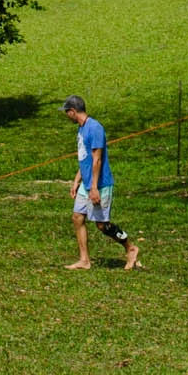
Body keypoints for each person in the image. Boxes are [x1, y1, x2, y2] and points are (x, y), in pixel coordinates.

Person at [61, 95, 140, 271]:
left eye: (66, 112)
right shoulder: (81, 129)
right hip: (86, 183)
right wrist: (77, 181)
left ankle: (130, 248)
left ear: (73, 111)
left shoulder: (95, 128)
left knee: (102, 225)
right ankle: (84, 260)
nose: (66, 116)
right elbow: (85, 158)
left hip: (100, 184)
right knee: (77, 217)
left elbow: (97, 160)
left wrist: (94, 188)